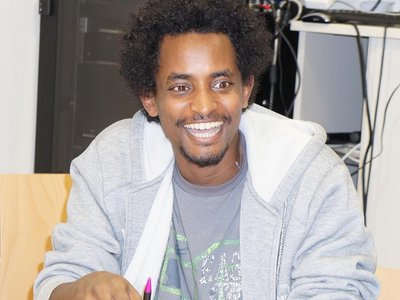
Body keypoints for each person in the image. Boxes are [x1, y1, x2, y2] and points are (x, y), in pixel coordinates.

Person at [34, 0, 380, 299]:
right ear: (150, 98)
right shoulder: (114, 162)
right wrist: (83, 289)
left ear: (246, 90)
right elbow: (59, 280)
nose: (204, 105)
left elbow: (338, 289)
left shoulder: (312, 177)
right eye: (181, 87)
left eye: (221, 83)